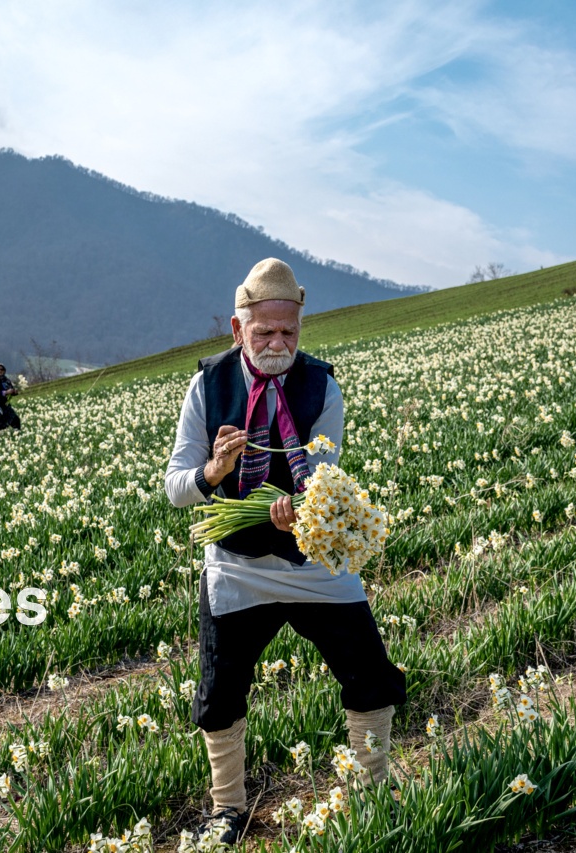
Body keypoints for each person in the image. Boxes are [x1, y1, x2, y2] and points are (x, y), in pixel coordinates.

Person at [164, 258, 406, 845]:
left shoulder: (322, 385)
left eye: (289, 333)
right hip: (237, 566)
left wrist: (302, 504)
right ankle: (228, 810)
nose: (278, 344)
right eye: (265, 332)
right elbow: (175, 487)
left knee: (370, 672)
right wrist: (213, 473)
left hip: (311, 561)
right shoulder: (207, 384)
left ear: (301, 327)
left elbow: (322, 476)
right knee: (220, 689)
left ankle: (373, 795)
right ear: (236, 328)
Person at [0, 363, 22, 432]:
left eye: (2, 369)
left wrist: (14, 392)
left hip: (5, 404)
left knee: (15, 420)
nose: (0, 371)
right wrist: (5, 392)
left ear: (4, 370)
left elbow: (11, 390)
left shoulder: (7, 380)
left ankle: (17, 434)